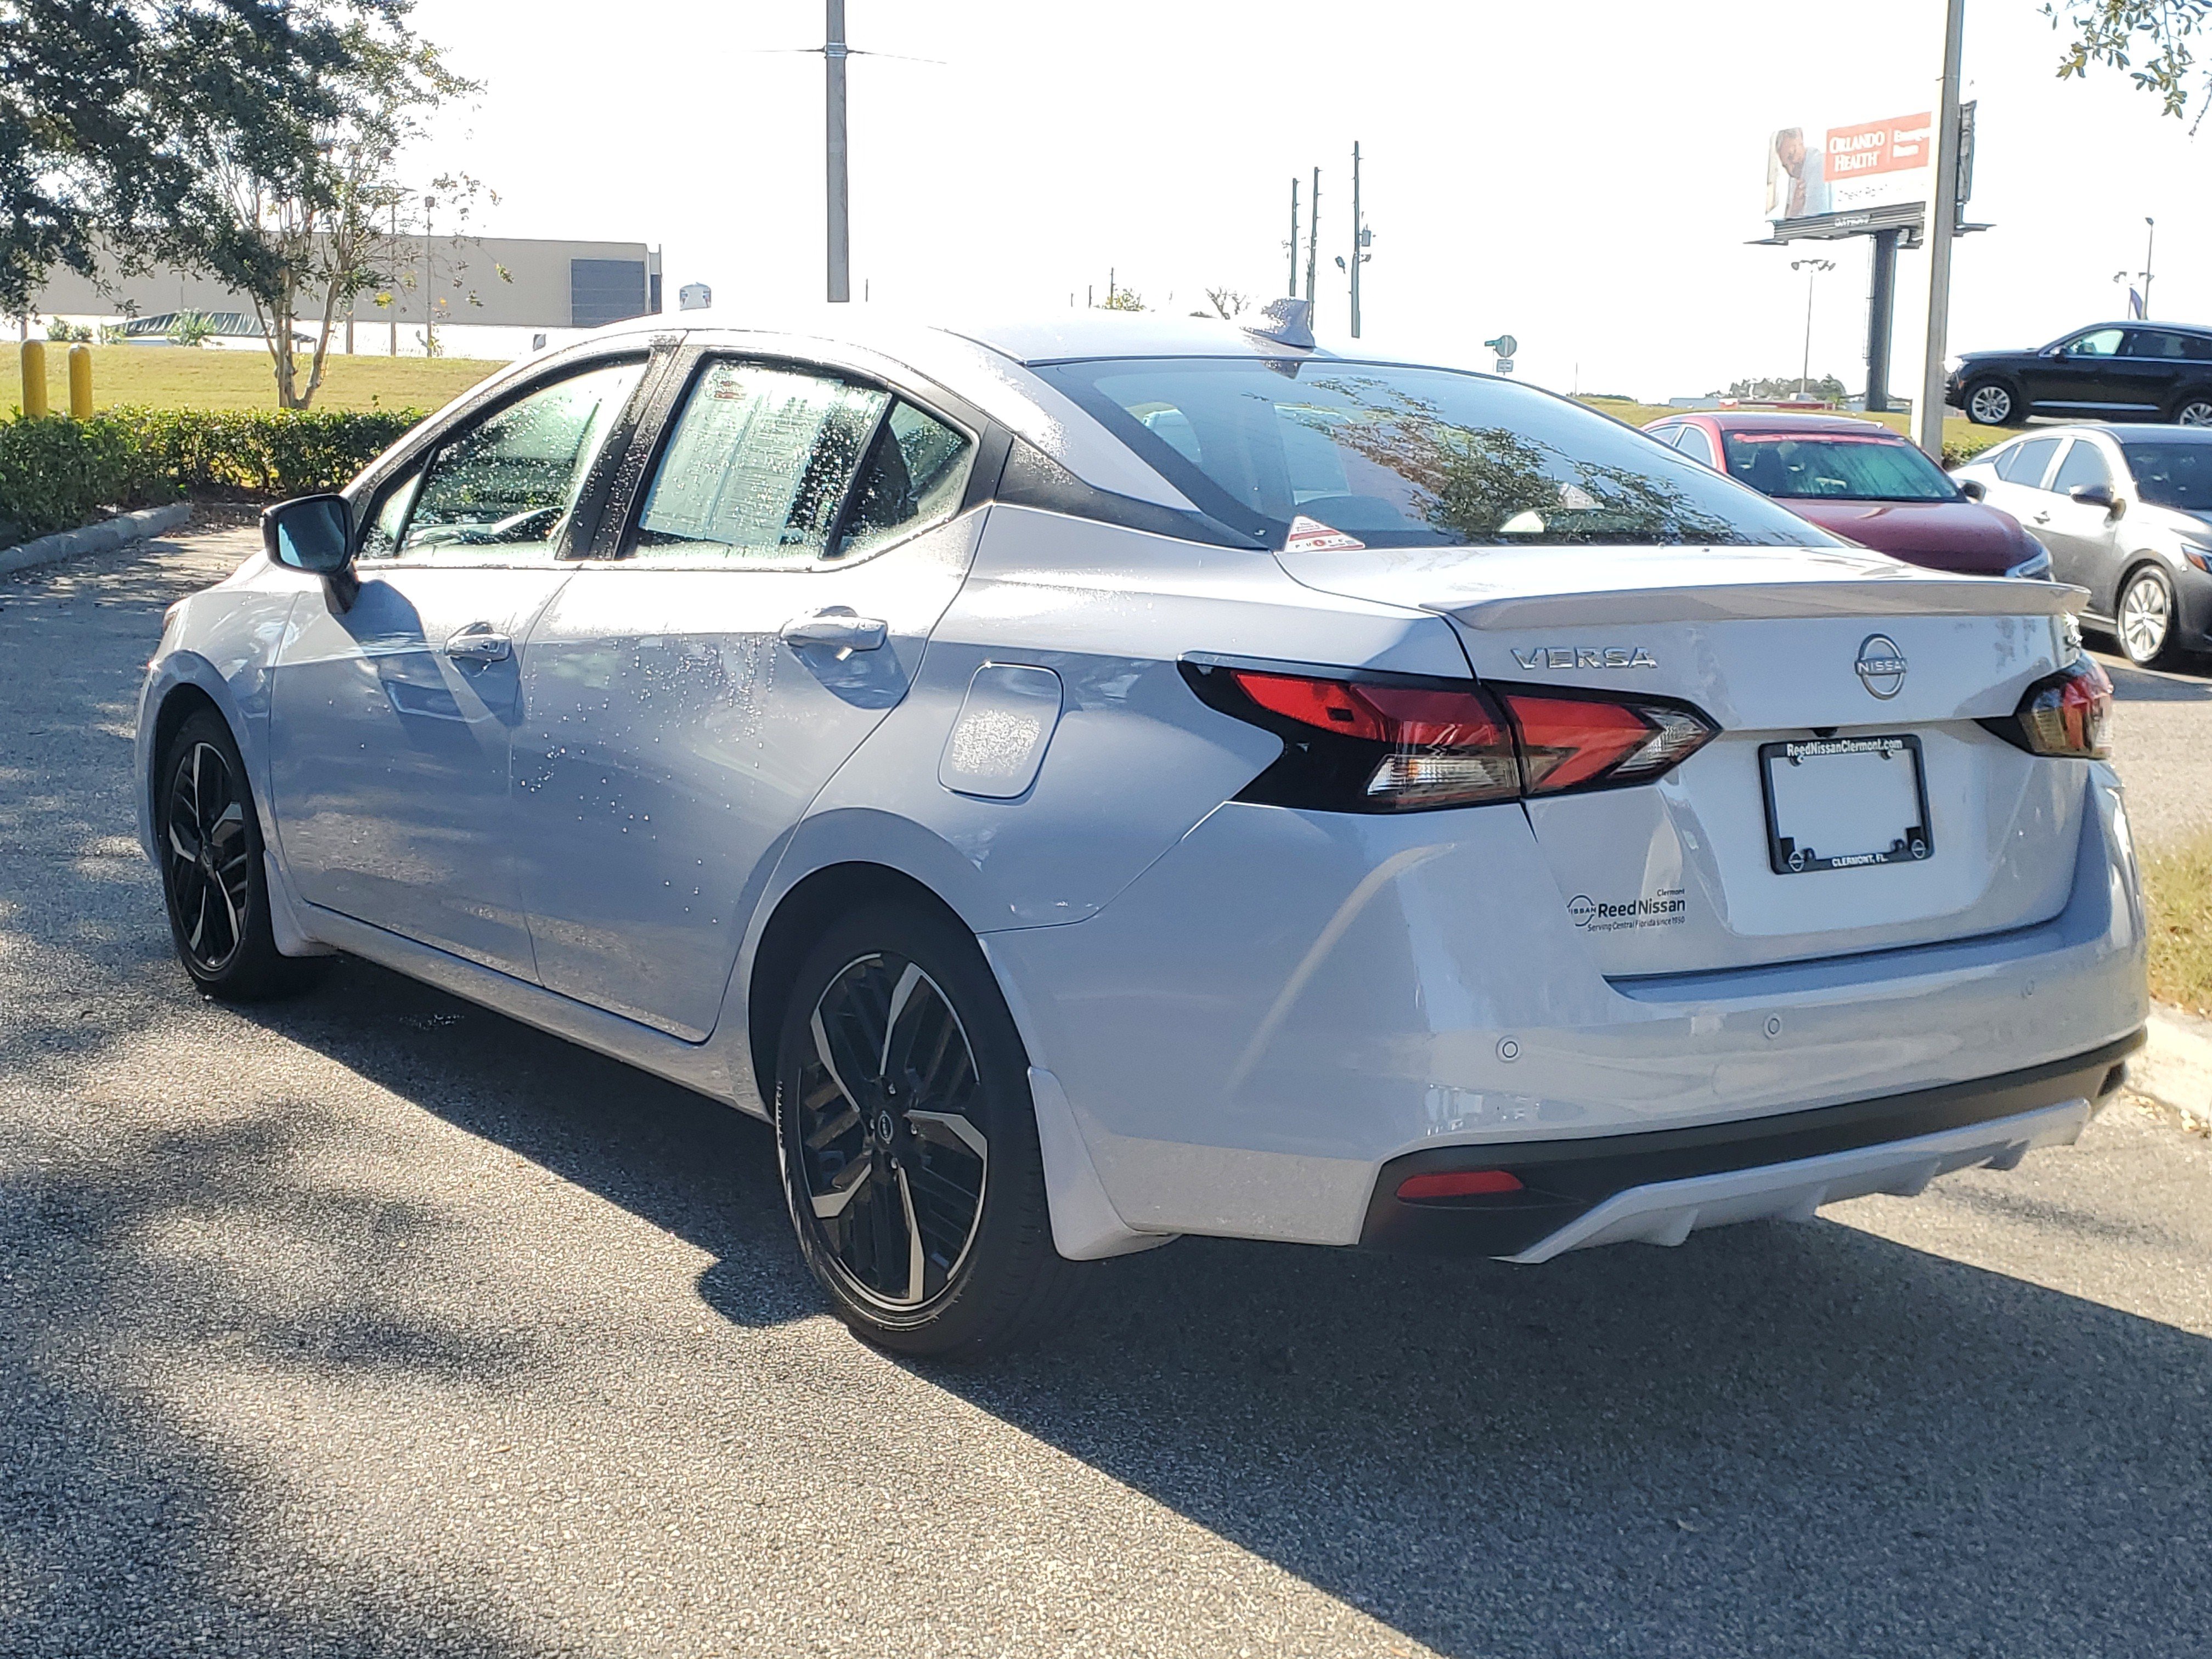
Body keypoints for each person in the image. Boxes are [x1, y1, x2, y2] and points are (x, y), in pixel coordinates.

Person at [1771, 127, 1831, 220]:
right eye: (1786, 166)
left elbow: (1816, 221)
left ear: (1800, 140)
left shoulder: (1819, 164)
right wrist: (1794, 209)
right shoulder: (1794, 175)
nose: (1791, 170)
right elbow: (1787, 224)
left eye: (1792, 155)